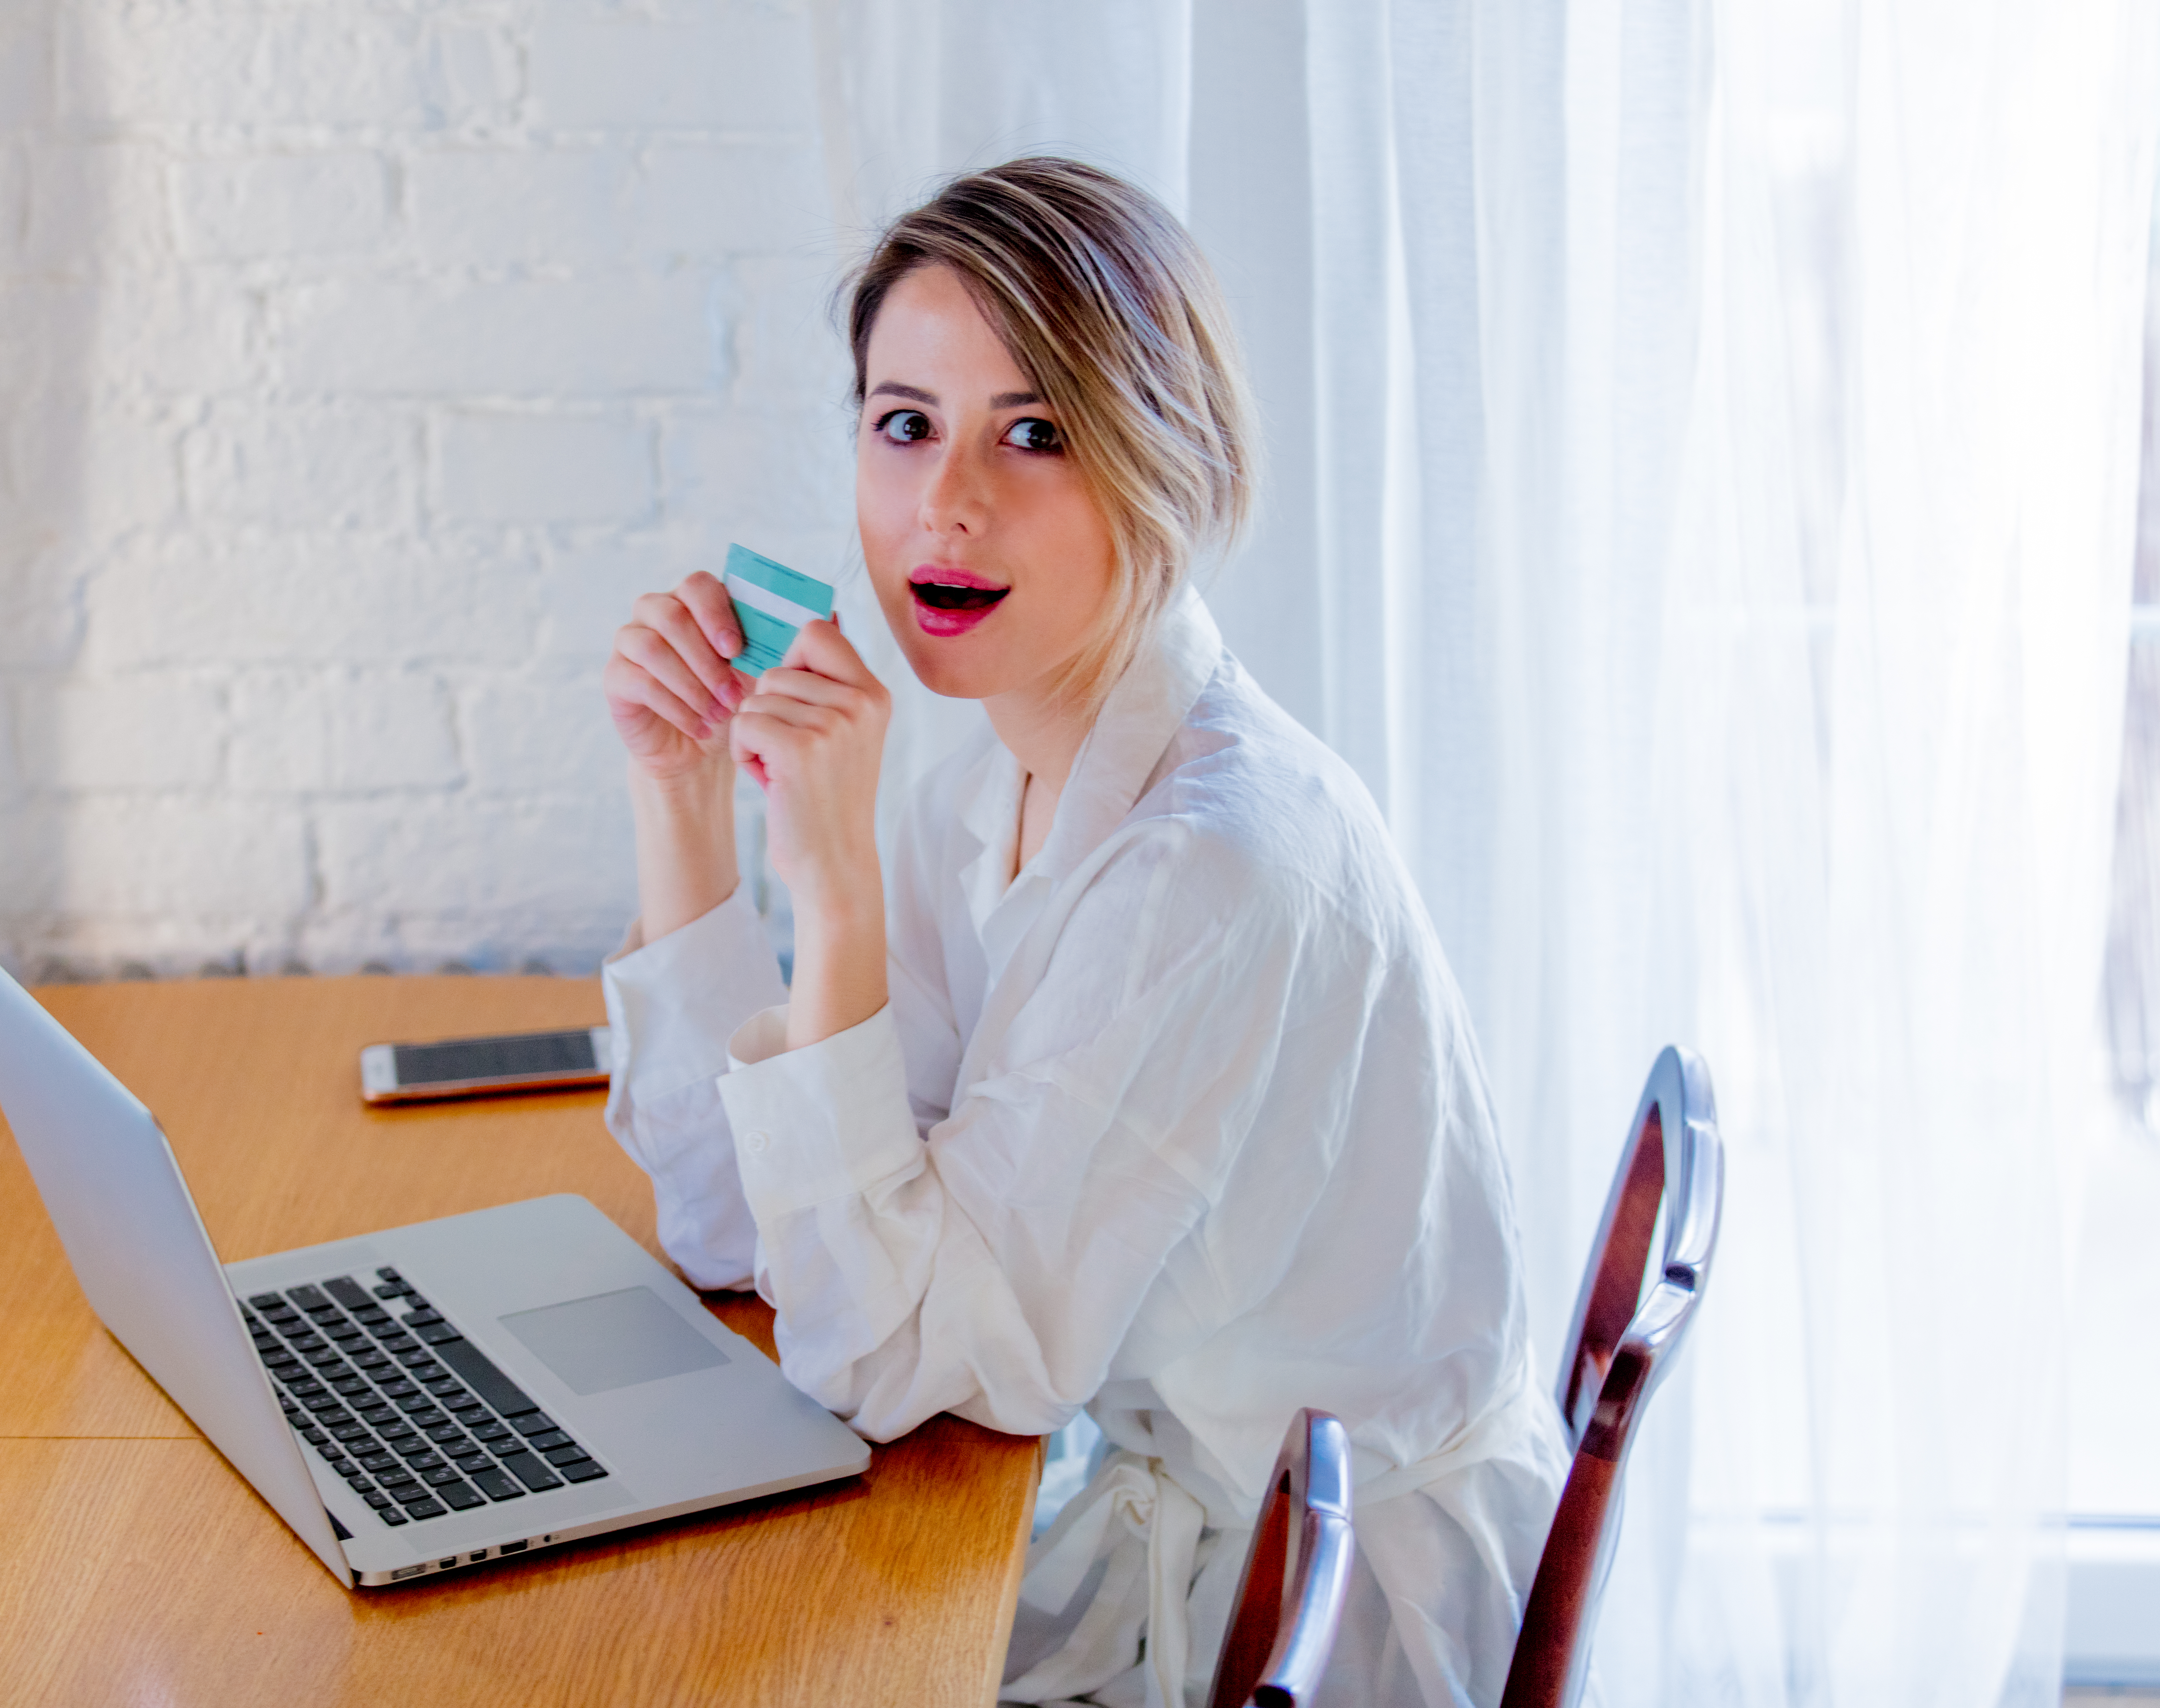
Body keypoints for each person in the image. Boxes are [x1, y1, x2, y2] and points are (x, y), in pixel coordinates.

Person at [596, 157, 1566, 1708]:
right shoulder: (986, 791)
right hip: (1173, 1514)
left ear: (1162, 465)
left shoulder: (1203, 871)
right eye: (905, 423)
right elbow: (750, 1238)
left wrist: (831, 887)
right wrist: (682, 805)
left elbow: (885, 1359)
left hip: (1302, 1616)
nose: (946, 502)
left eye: (1034, 432)